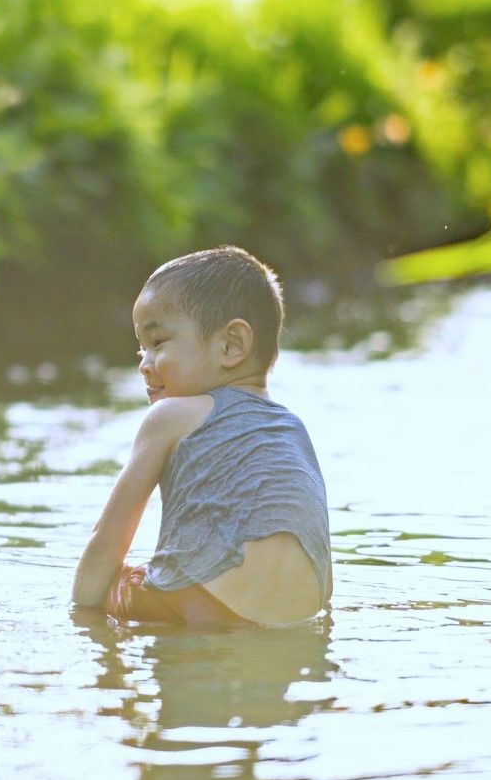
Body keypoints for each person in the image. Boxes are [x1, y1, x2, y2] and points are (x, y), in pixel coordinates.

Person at [72, 246, 330, 627]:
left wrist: (81, 615)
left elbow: (107, 541)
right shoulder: (292, 427)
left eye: (157, 343)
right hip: (298, 614)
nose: (143, 365)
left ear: (231, 345)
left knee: (117, 583)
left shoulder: (169, 416)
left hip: (206, 604)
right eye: (140, 348)